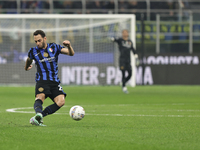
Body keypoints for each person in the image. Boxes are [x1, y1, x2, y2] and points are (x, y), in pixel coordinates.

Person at [25, 30, 75, 126]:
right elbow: (29, 59)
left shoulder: (54, 47)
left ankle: (38, 117)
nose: (37, 43)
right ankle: (38, 114)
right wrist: (27, 67)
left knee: (61, 101)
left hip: (54, 82)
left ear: (45, 38)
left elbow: (71, 53)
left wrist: (69, 46)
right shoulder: (33, 51)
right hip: (42, 81)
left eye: (39, 40)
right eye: (35, 41)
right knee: (40, 97)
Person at [111, 29, 137, 94]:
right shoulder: (120, 40)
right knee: (123, 73)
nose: (125, 34)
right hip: (122, 60)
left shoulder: (129, 41)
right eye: (124, 32)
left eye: (126, 32)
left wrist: (136, 56)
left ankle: (123, 82)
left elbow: (133, 49)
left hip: (128, 61)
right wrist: (112, 39)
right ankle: (124, 87)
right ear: (122, 34)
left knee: (130, 74)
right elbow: (115, 40)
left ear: (128, 33)